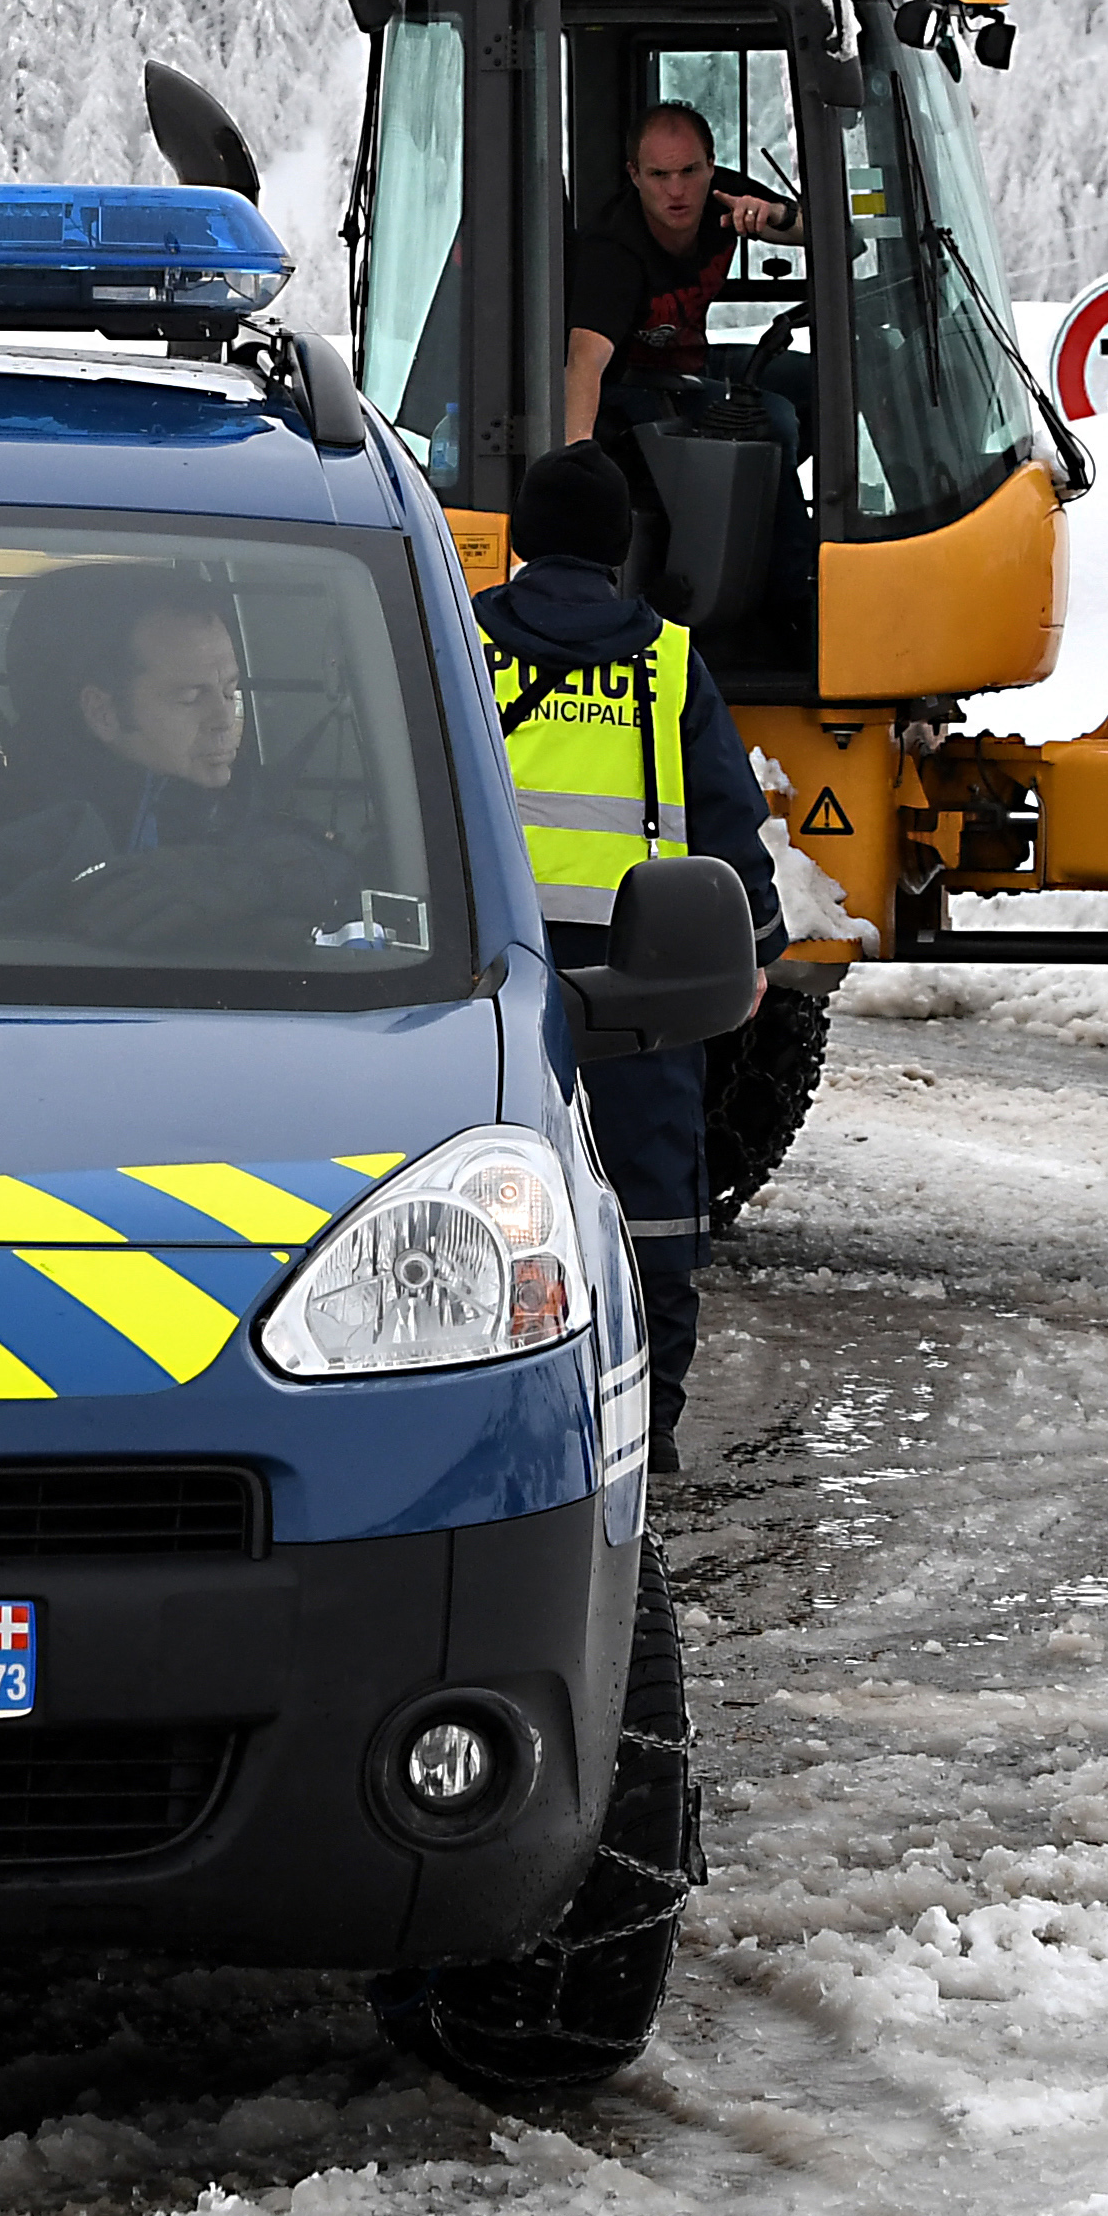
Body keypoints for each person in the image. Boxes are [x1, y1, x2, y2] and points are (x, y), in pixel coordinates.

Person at [475, 445, 779, 1476]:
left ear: (518, 537)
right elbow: (731, 824)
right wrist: (755, 950)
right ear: (621, 548)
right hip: (645, 977)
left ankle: (504, 1438)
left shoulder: (462, 638)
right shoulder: (664, 660)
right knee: (652, 1211)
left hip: (485, 982)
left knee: (485, 1207)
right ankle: (649, 1433)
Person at [0, 568, 356, 949]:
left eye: (229, 691)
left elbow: (370, 891)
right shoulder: (0, 834)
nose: (225, 720)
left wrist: (265, 877)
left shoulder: (252, 807)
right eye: (190, 697)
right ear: (103, 712)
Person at [560, 101, 800, 446]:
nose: (677, 191)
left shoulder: (723, 196)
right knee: (772, 420)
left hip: (697, 364)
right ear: (635, 175)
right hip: (634, 384)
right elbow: (584, 362)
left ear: (710, 166)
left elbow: (837, 238)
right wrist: (574, 461)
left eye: (689, 171)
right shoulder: (613, 250)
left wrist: (777, 213)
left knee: (830, 381)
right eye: (659, 175)